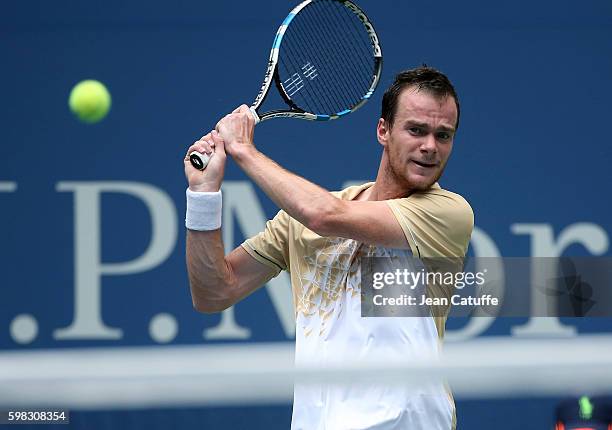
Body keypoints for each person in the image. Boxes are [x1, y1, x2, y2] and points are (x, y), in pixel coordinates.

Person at [184, 66, 474, 430]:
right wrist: (203, 194)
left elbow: (323, 215)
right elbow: (213, 292)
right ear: (383, 130)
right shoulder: (295, 224)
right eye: (416, 130)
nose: (430, 146)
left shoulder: (448, 213)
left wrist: (242, 149)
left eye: (443, 135)